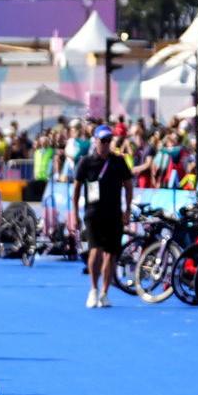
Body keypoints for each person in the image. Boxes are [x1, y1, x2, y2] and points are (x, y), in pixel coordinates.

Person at [74, 126, 133, 307]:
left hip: (114, 213)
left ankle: (105, 293)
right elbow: (76, 189)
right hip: (93, 213)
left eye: (108, 140)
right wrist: (75, 214)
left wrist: (127, 210)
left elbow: (128, 186)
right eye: (102, 140)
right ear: (95, 141)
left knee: (111, 254)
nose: (106, 144)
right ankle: (93, 289)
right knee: (95, 250)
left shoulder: (118, 162)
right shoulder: (86, 162)